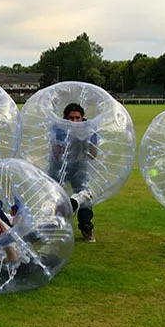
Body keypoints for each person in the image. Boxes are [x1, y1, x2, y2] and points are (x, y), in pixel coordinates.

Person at [50, 102, 98, 243]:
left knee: (84, 198)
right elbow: (56, 153)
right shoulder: (58, 128)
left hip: (80, 167)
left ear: (83, 118)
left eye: (77, 118)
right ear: (65, 118)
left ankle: (86, 228)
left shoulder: (89, 130)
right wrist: (68, 142)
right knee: (53, 196)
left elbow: (93, 155)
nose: (74, 121)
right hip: (59, 166)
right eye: (71, 118)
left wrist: (85, 142)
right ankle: (50, 227)